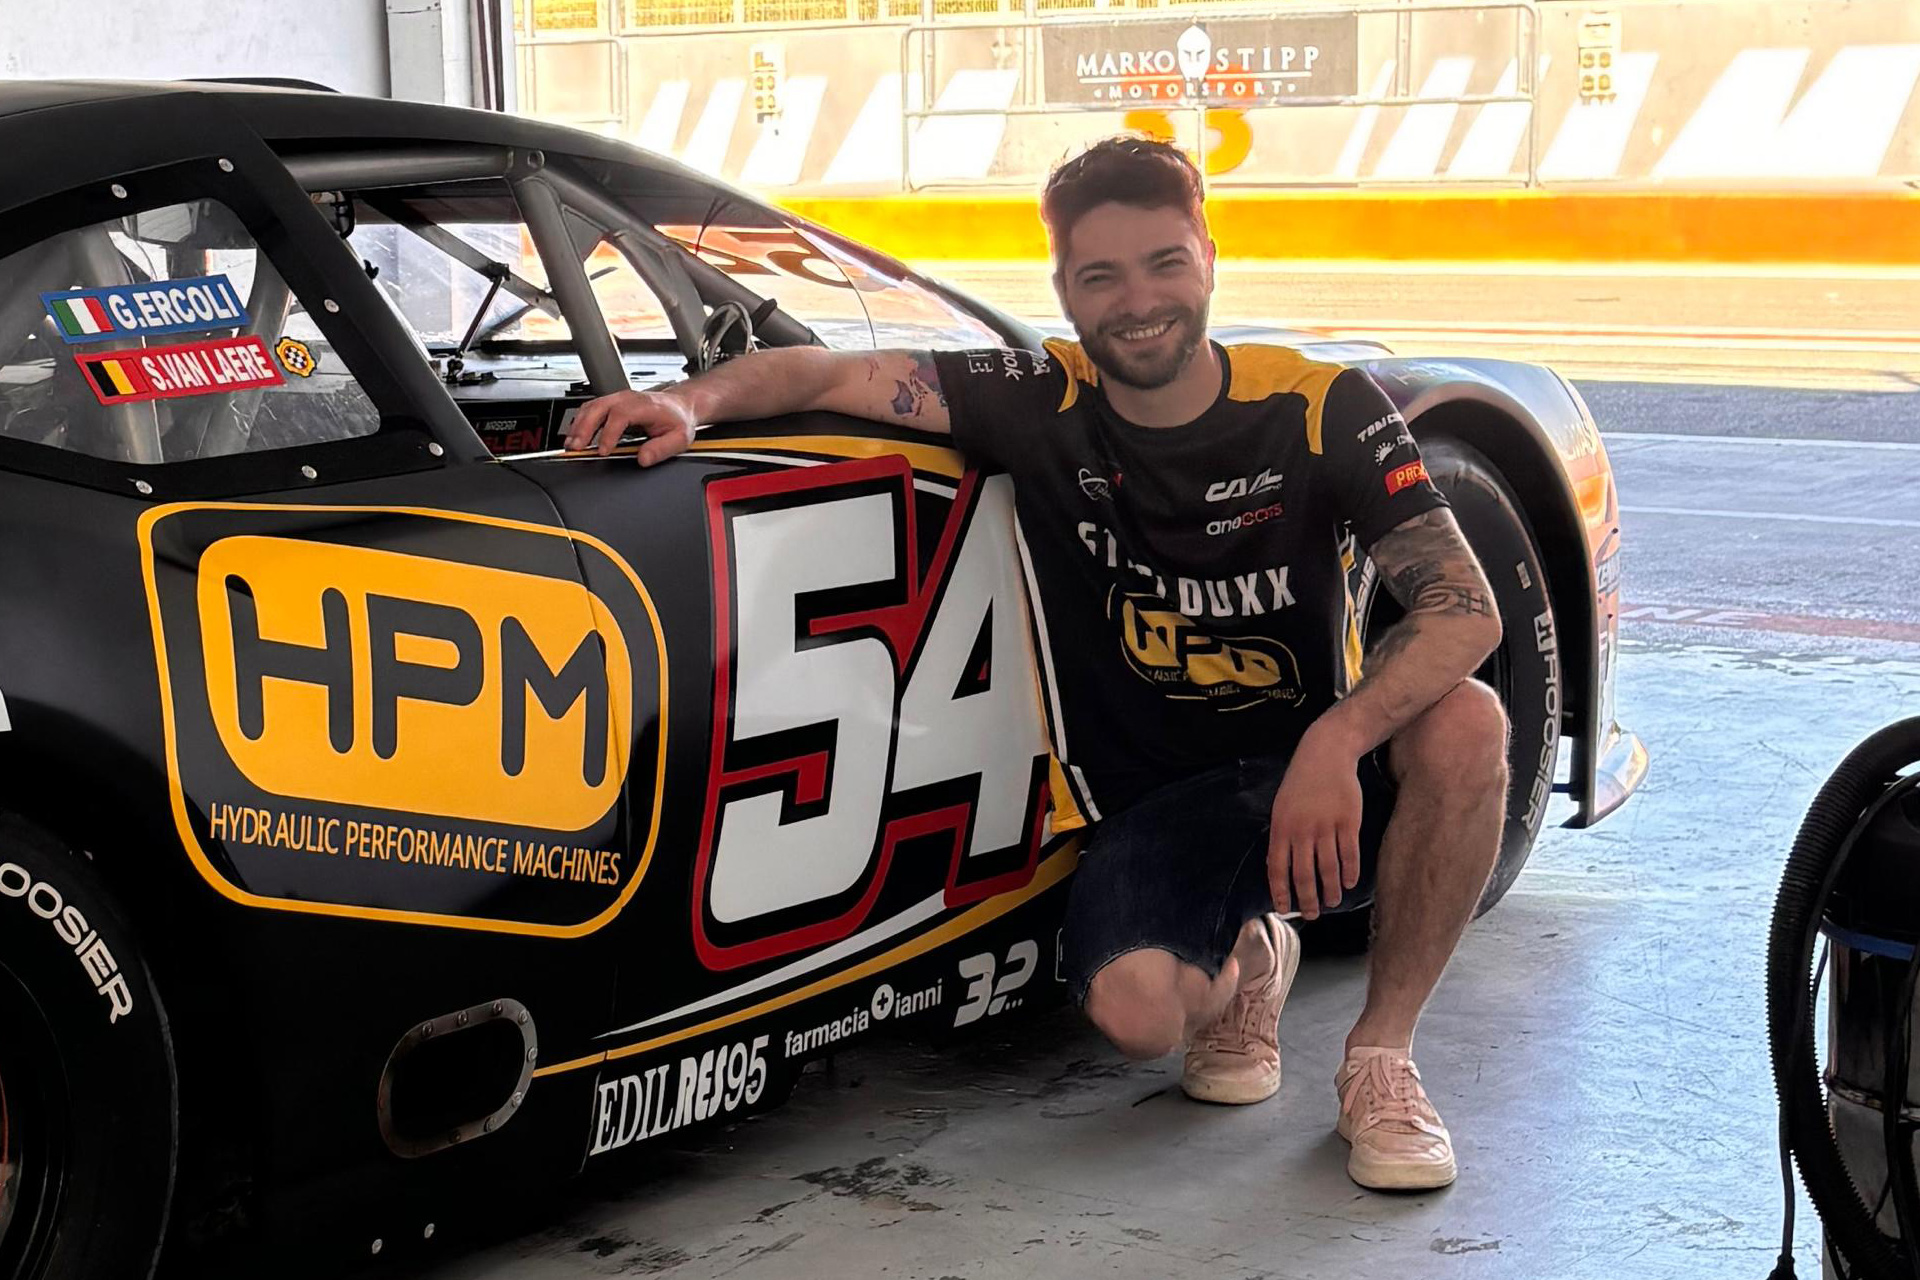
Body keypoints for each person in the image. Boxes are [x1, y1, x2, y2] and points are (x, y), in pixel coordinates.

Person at [565, 136, 1510, 1192]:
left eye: (1162, 262)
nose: (1136, 300)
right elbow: (826, 369)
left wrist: (1337, 738)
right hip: (1164, 803)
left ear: (1207, 257)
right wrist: (693, 404)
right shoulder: (1035, 394)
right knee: (1138, 1013)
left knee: (1468, 719)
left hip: (1325, 779)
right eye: (1099, 276)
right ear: (1063, 287)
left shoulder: (1319, 404)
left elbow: (1462, 607)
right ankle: (1252, 959)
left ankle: (1381, 1056)